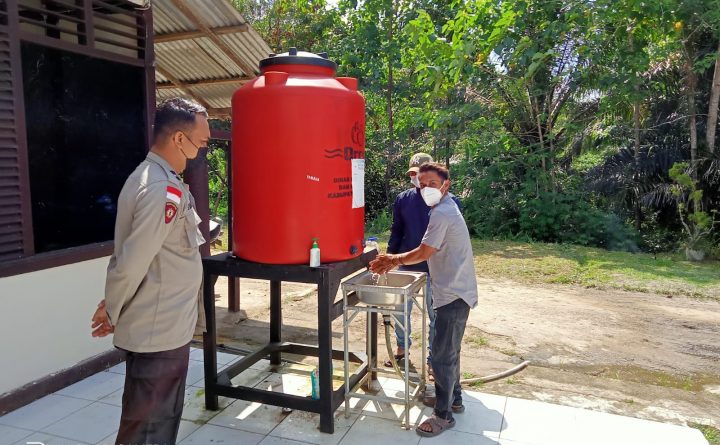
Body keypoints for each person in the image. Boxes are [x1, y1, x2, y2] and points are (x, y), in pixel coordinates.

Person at [90, 97, 211, 445]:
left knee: (158, 423)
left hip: (166, 327)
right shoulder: (161, 189)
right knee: (147, 430)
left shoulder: (160, 179)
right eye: (200, 143)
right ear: (179, 139)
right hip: (159, 331)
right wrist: (112, 310)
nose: (201, 151)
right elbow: (132, 263)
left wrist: (113, 305)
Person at [370, 162, 478, 438]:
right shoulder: (444, 206)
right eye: (422, 183)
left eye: (433, 183)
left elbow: (424, 251)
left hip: (453, 293)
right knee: (449, 351)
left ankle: (443, 416)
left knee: (441, 356)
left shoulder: (442, 212)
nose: (426, 188)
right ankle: (454, 399)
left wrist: (392, 259)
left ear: (446, 185)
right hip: (455, 289)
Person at [385, 153, 461, 379]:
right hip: (407, 265)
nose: (419, 180)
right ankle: (401, 348)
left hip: (436, 268)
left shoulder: (449, 202)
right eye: (414, 175)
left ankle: (433, 360)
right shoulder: (403, 199)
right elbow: (397, 230)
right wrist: (390, 257)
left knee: (436, 315)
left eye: (423, 176)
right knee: (400, 310)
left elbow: (452, 240)